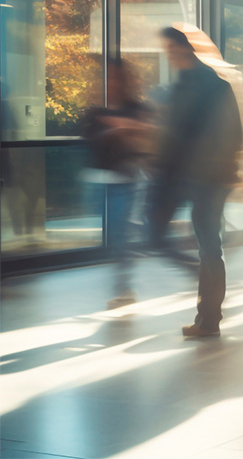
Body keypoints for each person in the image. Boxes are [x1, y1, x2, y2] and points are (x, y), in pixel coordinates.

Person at [148, 26, 242, 337]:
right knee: (199, 245)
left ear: (185, 49)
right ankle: (208, 312)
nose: (169, 56)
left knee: (209, 247)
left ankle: (210, 318)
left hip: (208, 178)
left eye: (172, 50)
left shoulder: (214, 86)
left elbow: (230, 135)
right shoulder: (183, 86)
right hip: (189, 176)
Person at [82, 59, 155, 308]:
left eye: (115, 77)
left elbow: (148, 134)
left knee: (121, 235)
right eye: (108, 77)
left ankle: (124, 288)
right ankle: (124, 284)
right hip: (100, 181)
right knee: (115, 236)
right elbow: (90, 139)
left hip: (127, 180)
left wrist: (122, 129)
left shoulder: (134, 107)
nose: (111, 82)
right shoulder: (96, 110)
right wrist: (119, 131)